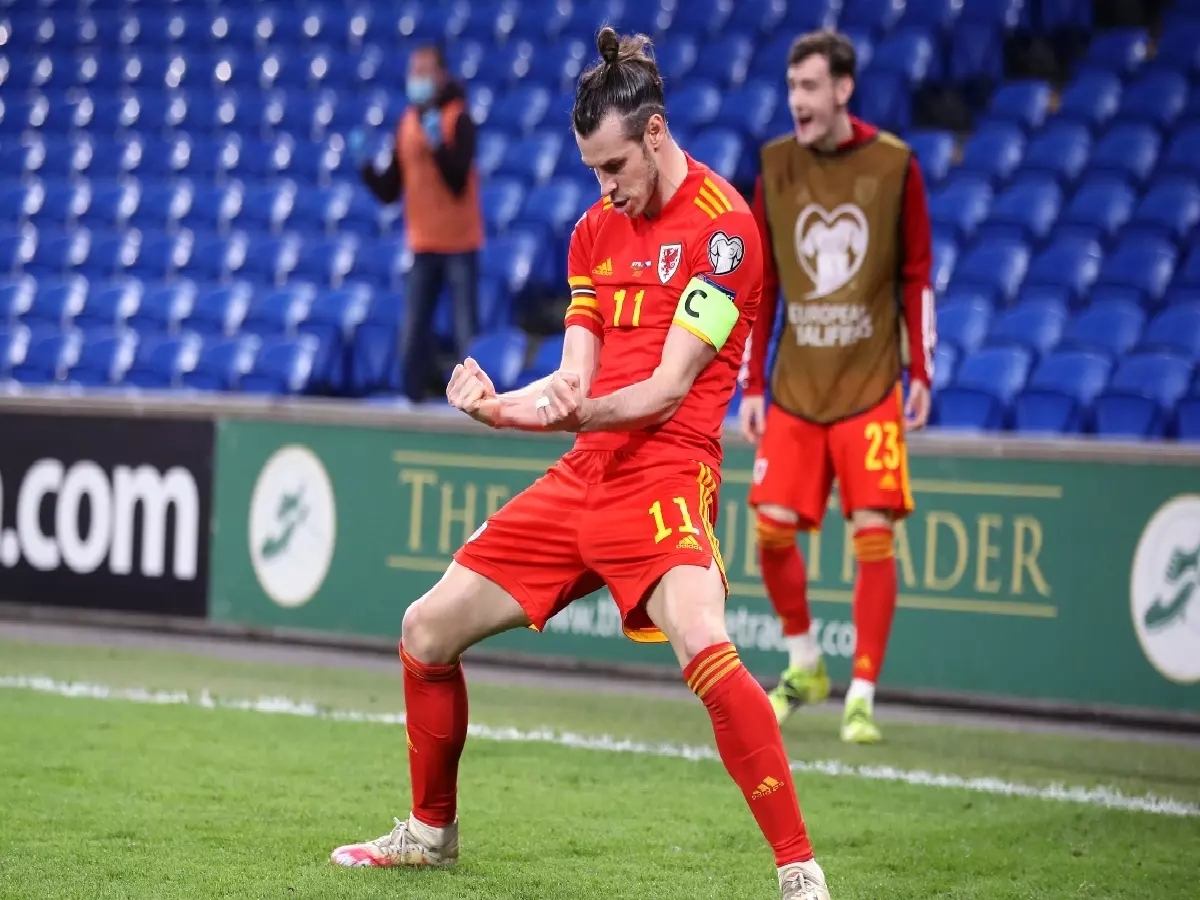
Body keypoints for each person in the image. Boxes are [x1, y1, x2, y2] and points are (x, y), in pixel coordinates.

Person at [331, 27, 833, 900]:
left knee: (706, 642)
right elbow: (572, 380)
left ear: (656, 134)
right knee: (424, 630)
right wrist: (495, 407)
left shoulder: (727, 233)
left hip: (667, 473)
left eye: (613, 168)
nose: (604, 189)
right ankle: (429, 832)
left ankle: (799, 871)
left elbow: (666, 391)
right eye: (592, 172)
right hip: (585, 475)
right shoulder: (595, 232)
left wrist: (567, 414)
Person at [738, 28, 936, 745]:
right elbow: (758, 286)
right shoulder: (773, 167)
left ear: (844, 89)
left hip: (870, 382)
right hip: (794, 384)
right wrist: (751, 385)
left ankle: (861, 693)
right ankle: (803, 663)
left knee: (873, 536)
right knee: (768, 531)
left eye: (811, 87)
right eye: (792, 89)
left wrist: (922, 370)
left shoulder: (894, 166)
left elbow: (916, 273)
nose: (799, 101)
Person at [356, 43, 483, 404]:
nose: (419, 79)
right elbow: (390, 189)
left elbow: (458, 179)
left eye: (426, 71)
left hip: (460, 245)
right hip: (422, 245)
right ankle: (411, 407)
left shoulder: (459, 118)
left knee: (466, 338)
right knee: (412, 335)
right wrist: (365, 166)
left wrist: (437, 144)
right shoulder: (407, 122)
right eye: (415, 71)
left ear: (442, 75)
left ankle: (477, 411)